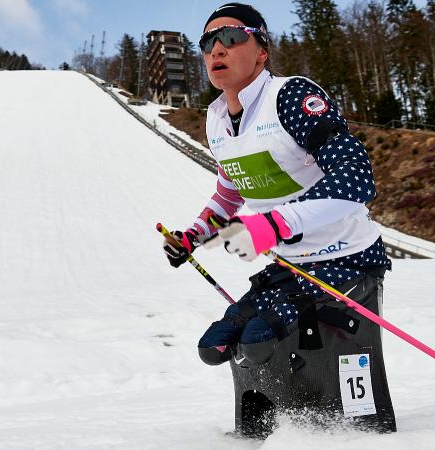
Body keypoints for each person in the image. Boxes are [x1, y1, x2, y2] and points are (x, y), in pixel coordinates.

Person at [162, 3, 395, 432]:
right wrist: (192, 236)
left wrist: (271, 226)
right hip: (290, 268)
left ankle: (338, 430)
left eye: (230, 37)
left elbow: (355, 180)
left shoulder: (288, 96)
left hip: (347, 260)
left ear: (261, 50)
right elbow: (230, 192)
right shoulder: (215, 119)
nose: (217, 48)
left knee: (259, 340)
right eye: (207, 42)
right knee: (218, 345)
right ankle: (269, 431)